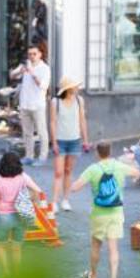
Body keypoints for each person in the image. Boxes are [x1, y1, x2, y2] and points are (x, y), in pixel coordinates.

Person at [74, 140, 140, 278]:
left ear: (97, 153)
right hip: (116, 212)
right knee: (113, 248)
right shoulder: (118, 166)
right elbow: (137, 172)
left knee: (96, 245)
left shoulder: (93, 169)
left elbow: (75, 187)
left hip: (99, 213)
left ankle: (93, 275)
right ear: (110, 152)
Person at [0, 148, 41, 273]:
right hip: (19, 216)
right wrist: (31, 202)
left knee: (0, 245)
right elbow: (37, 191)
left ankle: (6, 272)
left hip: (3, 217)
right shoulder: (22, 178)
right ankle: (16, 273)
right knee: (17, 247)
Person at [51, 78, 90, 212]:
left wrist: (85, 140)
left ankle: (65, 200)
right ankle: (54, 202)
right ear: (67, 89)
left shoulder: (79, 101)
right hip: (60, 141)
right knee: (58, 172)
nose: (77, 88)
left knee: (68, 171)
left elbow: (82, 120)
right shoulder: (55, 102)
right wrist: (54, 142)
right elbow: (52, 122)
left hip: (75, 141)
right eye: (74, 86)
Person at [15, 43, 51, 162]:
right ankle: (29, 155)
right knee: (27, 132)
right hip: (25, 104)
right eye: (29, 54)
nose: (31, 56)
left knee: (41, 132)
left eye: (34, 54)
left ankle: (42, 156)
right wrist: (19, 71)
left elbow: (43, 86)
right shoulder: (26, 66)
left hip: (38, 105)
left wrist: (32, 73)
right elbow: (12, 75)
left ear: (40, 54)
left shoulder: (44, 69)